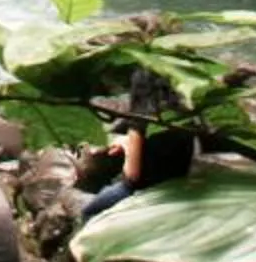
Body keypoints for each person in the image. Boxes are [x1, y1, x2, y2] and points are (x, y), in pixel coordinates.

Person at [76, 74, 194, 221]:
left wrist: (129, 147)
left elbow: (133, 176)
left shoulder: (141, 116)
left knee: (89, 212)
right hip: (183, 179)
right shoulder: (187, 110)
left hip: (150, 189)